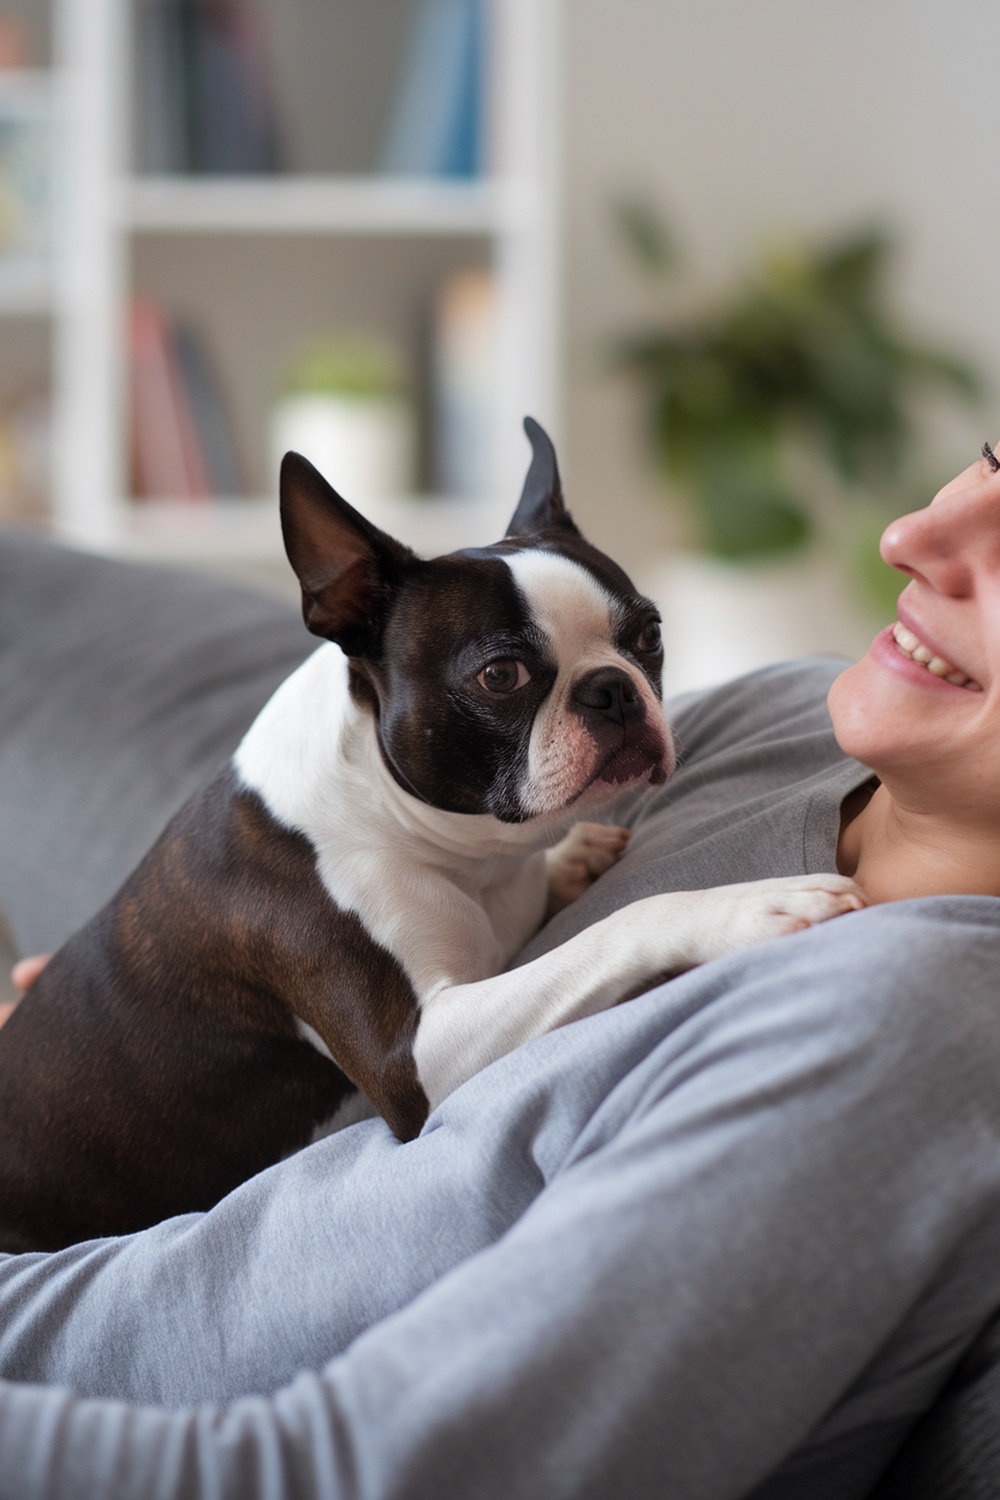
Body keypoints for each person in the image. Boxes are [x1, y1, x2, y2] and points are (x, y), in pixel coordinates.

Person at [2, 448, 1000, 1499]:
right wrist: (137, 1034)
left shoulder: (905, 1030)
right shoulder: (777, 720)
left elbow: (331, 1472)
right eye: (987, 460)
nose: (909, 534)